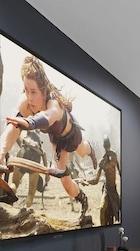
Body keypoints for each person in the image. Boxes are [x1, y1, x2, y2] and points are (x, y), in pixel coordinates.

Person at [0, 55, 97, 220]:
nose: (29, 97)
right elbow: (12, 127)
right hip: (56, 140)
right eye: (26, 90)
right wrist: (1, 154)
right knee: (66, 184)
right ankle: (84, 200)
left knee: (82, 150)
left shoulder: (54, 104)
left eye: (34, 92)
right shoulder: (26, 102)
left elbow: (48, 117)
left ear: (43, 91)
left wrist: (29, 122)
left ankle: (92, 150)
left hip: (71, 134)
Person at [86, 135, 120, 225]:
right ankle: (102, 229)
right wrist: (86, 181)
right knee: (102, 209)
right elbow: (96, 180)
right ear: (104, 147)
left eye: (108, 146)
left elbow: (120, 171)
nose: (107, 149)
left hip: (114, 189)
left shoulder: (114, 156)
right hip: (107, 190)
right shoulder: (102, 162)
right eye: (106, 147)